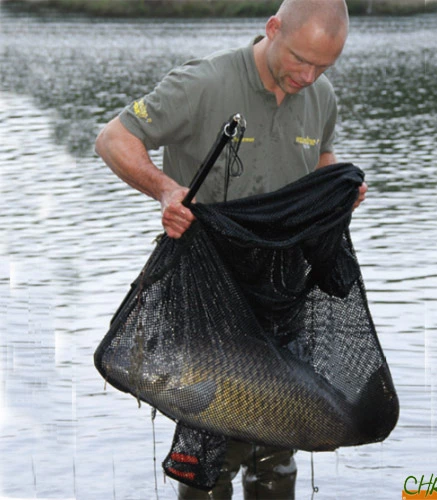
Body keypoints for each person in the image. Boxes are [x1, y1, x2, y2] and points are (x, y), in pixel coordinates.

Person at [95, 0, 367, 497]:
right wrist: (165, 191)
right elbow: (114, 137)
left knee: (278, 444)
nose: (308, 76)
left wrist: (335, 190)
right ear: (273, 29)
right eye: (301, 60)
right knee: (211, 447)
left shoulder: (321, 95)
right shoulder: (204, 83)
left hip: (279, 296)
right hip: (205, 295)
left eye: (323, 66)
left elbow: (320, 155)